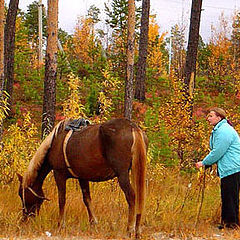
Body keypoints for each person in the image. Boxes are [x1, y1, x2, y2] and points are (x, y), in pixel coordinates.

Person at [196, 107, 240, 229]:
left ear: (219, 117)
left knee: (230, 197)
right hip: (229, 168)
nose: (208, 118)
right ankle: (228, 223)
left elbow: (218, 152)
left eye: (211, 116)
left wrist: (204, 163)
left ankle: (231, 225)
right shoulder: (220, 130)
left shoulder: (224, 131)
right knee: (228, 196)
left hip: (232, 168)